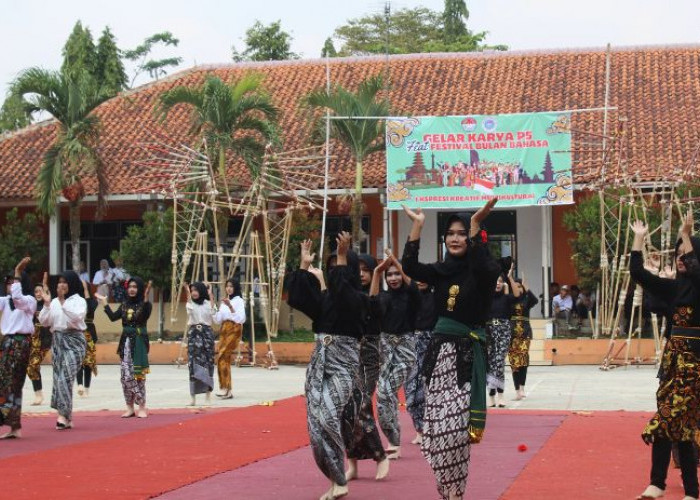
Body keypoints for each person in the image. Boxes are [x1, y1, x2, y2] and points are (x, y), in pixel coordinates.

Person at [401, 200, 501, 500]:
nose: (455, 238)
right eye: (451, 234)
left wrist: (476, 226)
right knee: (436, 431)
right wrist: (418, 225)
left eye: (461, 233)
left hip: (467, 358)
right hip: (439, 355)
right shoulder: (441, 271)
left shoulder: (485, 270)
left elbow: (483, 266)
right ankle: (450, 493)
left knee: (456, 430)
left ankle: (455, 491)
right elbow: (410, 267)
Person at [287, 233, 367, 500]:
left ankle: (340, 479)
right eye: (331, 266)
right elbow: (298, 298)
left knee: (328, 417)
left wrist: (343, 256)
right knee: (314, 426)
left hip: (344, 367)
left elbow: (343, 292)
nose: (334, 271)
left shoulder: (358, 299)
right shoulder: (325, 300)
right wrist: (303, 265)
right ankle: (335, 480)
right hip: (319, 365)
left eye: (340, 266)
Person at [630, 212, 700, 500]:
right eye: (678, 255)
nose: (681, 259)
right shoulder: (673, 290)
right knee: (677, 424)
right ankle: (671, 487)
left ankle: (669, 487)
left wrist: (686, 234)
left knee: (670, 419)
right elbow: (639, 275)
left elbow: (697, 270)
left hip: (695, 363)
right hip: (672, 362)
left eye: (685, 254)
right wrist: (638, 238)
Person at [343, 253, 391, 482]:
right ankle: (352, 464)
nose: (361, 273)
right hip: (346, 355)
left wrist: (379, 274)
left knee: (361, 405)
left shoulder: (381, 298)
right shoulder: (347, 296)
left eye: (366, 270)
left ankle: (380, 456)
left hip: (369, 357)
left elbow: (371, 308)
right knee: (346, 411)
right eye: (358, 269)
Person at [376, 250, 421, 459]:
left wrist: (395, 261)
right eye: (390, 275)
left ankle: (395, 441)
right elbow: (372, 300)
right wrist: (377, 272)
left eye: (396, 274)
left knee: (387, 391)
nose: (393, 278)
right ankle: (393, 441)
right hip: (385, 346)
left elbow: (412, 285)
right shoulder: (384, 296)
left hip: (405, 347)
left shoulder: (411, 295)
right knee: (383, 397)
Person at [38, 270, 87, 430]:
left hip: (74, 342)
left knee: (64, 378)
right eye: (59, 282)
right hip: (58, 341)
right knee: (59, 378)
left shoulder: (78, 301)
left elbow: (77, 318)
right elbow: (44, 321)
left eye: (65, 282)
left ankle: (62, 415)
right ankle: (67, 416)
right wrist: (46, 304)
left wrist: (63, 302)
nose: (61, 285)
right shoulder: (53, 302)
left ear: (71, 284)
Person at [97, 277, 152, 418]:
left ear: (139, 289)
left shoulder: (145, 304)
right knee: (124, 377)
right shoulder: (125, 304)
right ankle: (130, 407)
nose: (132, 289)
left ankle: (142, 406)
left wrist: (145, 301)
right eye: (130, 287)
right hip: (125, 342)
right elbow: (113, 317)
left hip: (138, 342)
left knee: (138, 376)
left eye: (135, 287)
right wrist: (104, 303)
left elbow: (143, 317)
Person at [0, 258, 37, 439]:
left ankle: (13, 424)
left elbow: (18, 298)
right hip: (7, 343)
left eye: (13, 282)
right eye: (8, 283)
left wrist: (17, 271)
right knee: (8, 384)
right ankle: (13, 426)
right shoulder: (5, 301)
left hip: (20, 343)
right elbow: (11, 297)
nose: (10, 285)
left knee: (13, 383)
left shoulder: (29, 301)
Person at [405, 279, 436, 446]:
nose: (420, 281)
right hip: (410, 345)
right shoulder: (408, 298)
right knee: (411, 391)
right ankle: (419, 430)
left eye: (423, 277)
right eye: (416, 278)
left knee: (432, 390)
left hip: (432, 344)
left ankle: (433, 429)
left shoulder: (437, 298)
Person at [486, 267, 520, 408]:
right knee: (490, 364)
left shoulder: (506, 298)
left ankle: (500, 395)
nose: (498, 284)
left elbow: (517, 295)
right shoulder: (485, 299)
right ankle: (491, 395)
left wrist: (509, 278)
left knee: (499, 363)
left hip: (504, 329)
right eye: (495, 282)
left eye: (500, 281)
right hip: (488, 330)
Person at [185, 281, 216, 406]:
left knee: (208, 363)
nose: (194, 293)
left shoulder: (208, 304)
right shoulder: (190, 304)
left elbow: (214, 315)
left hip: (207, 335)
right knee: (193, 364)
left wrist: (211, 295)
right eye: (192, 290)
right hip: (194, 334)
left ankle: (208, 396)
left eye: (196, 290)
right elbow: (190, 311)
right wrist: (187, 292)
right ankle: (193, 398)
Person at [214, 279, 246, 399]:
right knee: (222, 358)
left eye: (231, 286)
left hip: (234, 329)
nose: (229, 288)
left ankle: (226, 389)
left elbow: (240, 318)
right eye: (227, 286)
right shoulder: (224, 302)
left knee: (222, 356)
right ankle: (226, 389)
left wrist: (230, 306)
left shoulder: (239, 301)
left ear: (235, 288)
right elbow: (218, 319)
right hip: (224, 329)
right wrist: (213, 305)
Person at [508, 276, 539, 400]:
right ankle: (517, 391)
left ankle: (522, 387)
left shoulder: (527, 299)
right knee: (514, 362)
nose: (518, 288)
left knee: (523, 359)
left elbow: (535, 300)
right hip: (511, 333)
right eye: (515, 286)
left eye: (519, 286)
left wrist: (527, 287)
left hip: (525, 332)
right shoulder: (509, 300)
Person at [27, 282, 53, 406]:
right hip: (33, 338)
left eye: (40, 291)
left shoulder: (47, 304)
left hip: (45, 338)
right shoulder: (31, 305)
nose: (38, 293)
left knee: (34, 364)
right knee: (31, 367)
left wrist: (47, 295)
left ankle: (40, 394)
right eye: (36, 291)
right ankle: (38, 394)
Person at [77, 280, 98, 397]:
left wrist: (86, 291)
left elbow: (89, 309)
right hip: (78, 332)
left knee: (88, 362)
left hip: (89, 331)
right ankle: (79, 385)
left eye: (84, 287)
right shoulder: (75, 301)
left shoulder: (93, 302)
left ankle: (86, 388)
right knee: (78, 360)